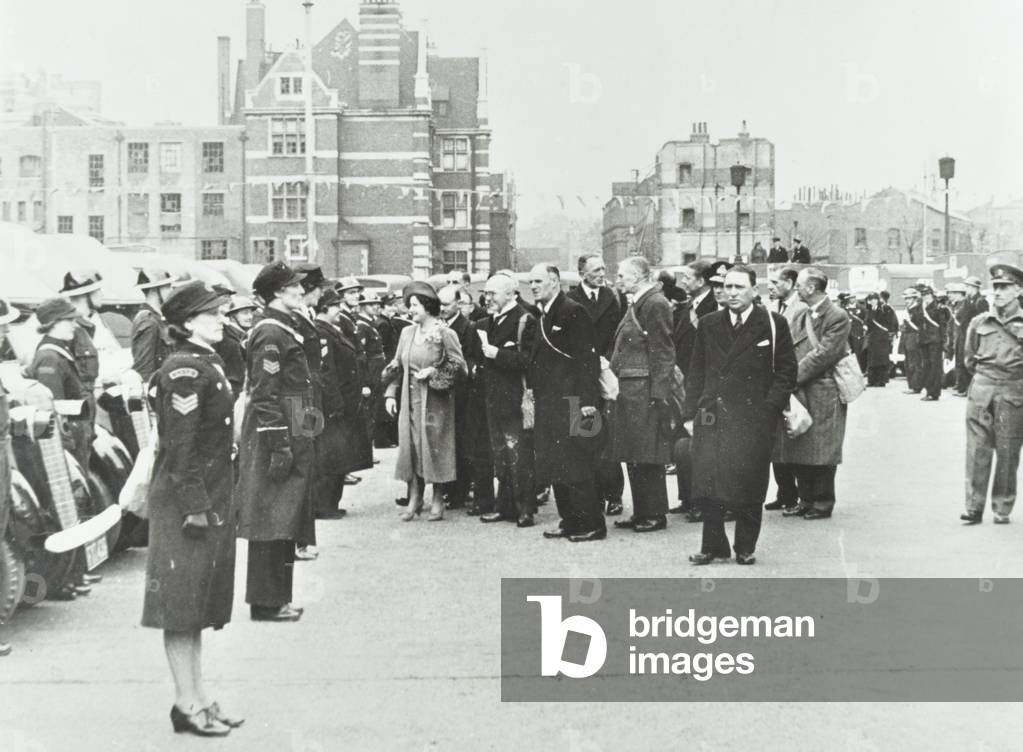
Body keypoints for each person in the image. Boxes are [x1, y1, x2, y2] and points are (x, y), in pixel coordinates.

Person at [140, 281, 241, 737]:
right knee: (181, 608)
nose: (222, 319)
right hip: (187, 502)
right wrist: (195, 507)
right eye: (212, 314)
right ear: (185, 323)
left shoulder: (204, 363)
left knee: (197, 606)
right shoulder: (183, 370)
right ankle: (186, 703)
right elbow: (179, 450)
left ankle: (198, 697)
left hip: (208, 496)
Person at [684, 266, 797, 565]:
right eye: (727, 287)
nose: (731, 293)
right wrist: (689, 412)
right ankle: (713, 545)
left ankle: (745, 546)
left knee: (750, 482)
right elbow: (696, 370)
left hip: (754, 418)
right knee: (708, 480)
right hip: (712, 414)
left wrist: (769, 409)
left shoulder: (773, 324)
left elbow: (786, 372)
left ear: (753, 290)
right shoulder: (709, 324)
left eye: (738, 287)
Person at [236, 262, 313, 623]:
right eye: (294, 286)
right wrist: (280, 444)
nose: (301, 290)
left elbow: (297, 391)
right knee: (271, 517)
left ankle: (278, 597)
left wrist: (307, 433)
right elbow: (265, 395)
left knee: (286, 515)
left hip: (294, 422)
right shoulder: (270, 333)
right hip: (276, 430)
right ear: (279, 293)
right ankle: (267, 602)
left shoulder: (283, 328)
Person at [526, 264, 605, 542]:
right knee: (556, 463)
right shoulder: (545, 314)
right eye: (531, 282)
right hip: (550, 401)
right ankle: (569, 519)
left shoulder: (573, 311)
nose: (533, 286)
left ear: (555, 281)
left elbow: (587, 359)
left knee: (577, 463)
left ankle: (592, 524)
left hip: (573, 400)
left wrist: (587, 401)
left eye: (538, 281)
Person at [772, 267, 852, 520]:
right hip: (802, 390)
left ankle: (822, 501)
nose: (796, 289)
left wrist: (790, 378)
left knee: (824, 449)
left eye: (800, 286)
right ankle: (805, 499)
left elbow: (824, 354)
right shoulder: (800, 316)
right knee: (801, 446)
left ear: (811, 288)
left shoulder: (838, 316)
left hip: (824, 390)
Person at [384, 282, 467, 521]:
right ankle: (414, 497)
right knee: (410, 447)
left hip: (435, 402)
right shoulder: (406, 333)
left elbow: (458, 366)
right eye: (409, 305)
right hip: (409, 400)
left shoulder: (444, 333)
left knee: (433, 447)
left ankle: (438, 497)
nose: (411, 310)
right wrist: (390, 393)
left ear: (428, 306)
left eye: (415, 305)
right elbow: (397, 366)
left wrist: (433, 372)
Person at [606, 256, 674, 534]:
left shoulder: (655, 303)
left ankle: (654, 514)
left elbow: (663, 352)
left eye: (622, 275)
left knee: (648, 454)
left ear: (637, 276)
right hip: (632, 390)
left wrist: (659, 395)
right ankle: (643, 511)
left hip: (644, 391)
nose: (617, 280)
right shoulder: (641, 302)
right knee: (635, 453)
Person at [961, 264, 1023, 525]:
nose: (996, 292)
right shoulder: (979, 321)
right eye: (995, 287)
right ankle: (973, 507)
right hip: (982, 388)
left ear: (1018, 290)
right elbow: (969, 358)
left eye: (1003, 287)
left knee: (1008, 450)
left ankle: (1002, 506)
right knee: (977, 449)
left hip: (1012, 391)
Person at [476, 273, 539, 527]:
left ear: (511, 294)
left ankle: (525, 508)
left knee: (519, 454)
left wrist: (497, 354)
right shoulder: (487, 321)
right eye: (487, 293)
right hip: (493, 398)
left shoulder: (526, 320)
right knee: (501, 453)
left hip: (515, 400)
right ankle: (505, 506)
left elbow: (528, 361)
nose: (487, 298)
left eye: (493, 293)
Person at [567, 253, 625, 517]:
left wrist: (609, 360)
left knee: (609, 438)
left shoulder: (613, 298)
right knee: (586, 434)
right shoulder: (571, 300)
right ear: (582, 274)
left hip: (607, 371)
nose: (601, 273)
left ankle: (614, 494)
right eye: (595, 270)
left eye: (603, 268)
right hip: (581, 376)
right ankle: (594, 496)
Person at [313, 289, 371, 519]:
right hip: (335, 406)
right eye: (336, 305)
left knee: (339, 454)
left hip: (345, 403)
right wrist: (336, 404)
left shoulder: (332, 330)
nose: (340, 309)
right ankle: (323, 505)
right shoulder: (322, 332)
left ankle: (331, 503)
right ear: (325, 307)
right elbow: (327, 372)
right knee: (331, 455)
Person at [668, 260, 719, 520]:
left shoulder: (714, 306)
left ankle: (703, 501)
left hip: (705, 389)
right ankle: (687, 498)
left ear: (701, 281)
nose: (683, 282)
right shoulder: (687, 307)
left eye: (688, 277)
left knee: (703, 445)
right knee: (681, 443)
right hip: (684, 386)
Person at [765, 266, 808, 512]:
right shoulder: (774, 308)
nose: (770, 286)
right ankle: (785, 492)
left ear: (790, 282)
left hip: (791, 380)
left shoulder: (800, 309)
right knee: (777, 440)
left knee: (792, 439)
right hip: (776, 380)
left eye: (775, 282)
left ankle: (797, 495)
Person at [437, 284, 477, 511]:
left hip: (460, 393)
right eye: (439, 304)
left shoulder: (468, 327)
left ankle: (459, 492)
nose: (442, 308)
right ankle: (449, 489)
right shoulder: (438, 326)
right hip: (441, 391)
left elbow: (470, 359)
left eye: (446, 304)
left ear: (458, 304)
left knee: (461, 442)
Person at [131, 268, 175, 383]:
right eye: (167, 286)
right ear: (154, 290)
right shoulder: (148, 321)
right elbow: (143, 369)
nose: (171, 291)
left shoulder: (159, 319)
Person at [912, 283, 950, 401]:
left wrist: (944, 341)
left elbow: (943, 324)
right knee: (927, 366)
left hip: (935, 340)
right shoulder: (920, 306)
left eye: (928, 294)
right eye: (923, 295)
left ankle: (934, 393)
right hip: (924, 340)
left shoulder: (939, 306)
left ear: (932, 295)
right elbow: (915, 320)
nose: (926, 297)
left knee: (935, 367)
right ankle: (928, 391)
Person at [955, 277, 989, 396]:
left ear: (975, 287)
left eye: (968, 286)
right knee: (964, 360)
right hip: (965, 334)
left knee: (973, 362)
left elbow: (984, 320)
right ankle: (965, 388)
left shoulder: (981, 301)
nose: (966, 289)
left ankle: (972, 389)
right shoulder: (967, 301)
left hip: (975, 336)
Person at [218, 296, 257, 396]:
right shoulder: (229, 341)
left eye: (251, 312)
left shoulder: (241, 337)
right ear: (232, 317)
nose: (250, 317)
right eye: (245, 313)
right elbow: (233, 378)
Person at [863, 292, 898, 386]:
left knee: (881, 360)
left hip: (882, 337)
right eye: (871, 299)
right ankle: (872, 380)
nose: (873, 301)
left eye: (875, 299)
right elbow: (867, 321)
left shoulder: (884, 309)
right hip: (872, 338)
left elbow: (891, 322)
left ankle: (881, 381)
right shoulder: (869, 310)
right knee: (872, 359)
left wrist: (890, 333)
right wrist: (865, 326)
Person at [900, 287, 923, 394]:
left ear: (914, 299)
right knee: (908, 362)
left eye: (909, 298)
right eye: (906, 299)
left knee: (915, 362)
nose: (907, 301)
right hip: (907, 337)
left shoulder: (918, 309)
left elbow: (918, 326)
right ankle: (911, 385)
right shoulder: (908, 309)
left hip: (914, 337)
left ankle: (916, 386)